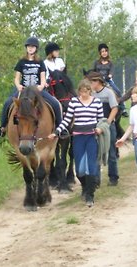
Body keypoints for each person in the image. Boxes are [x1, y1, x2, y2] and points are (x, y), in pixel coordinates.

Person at [48, 79, 104, 207]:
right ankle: (85, 186)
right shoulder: (74, 102)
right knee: (79, 169)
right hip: (78, 137)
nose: (83, 94)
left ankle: (90, 195)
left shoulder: (97, 102)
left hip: (91, 137)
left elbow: (101, 120)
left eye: (86, 91)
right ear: (79, 91)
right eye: (81, 92)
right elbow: (67, 120)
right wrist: (56, 132)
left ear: (90, 91)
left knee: (91, 167)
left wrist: (100, 128)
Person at [0, 36, 62, 137]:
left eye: (33, 47)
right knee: (7, 103)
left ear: (36, 48)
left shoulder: (40, 62)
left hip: (36, 89)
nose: (30, 48)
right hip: (24, 90)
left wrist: (41, 86)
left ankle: (60, 128)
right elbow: (16, 78)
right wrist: (18, 85)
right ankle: (2, 128)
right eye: (29, 46)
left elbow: (43, 78)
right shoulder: (21, 62)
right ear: (26, 48)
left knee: (55, 103)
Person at [87, 71, 120, 186]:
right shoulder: (91, 94)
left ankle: (113, 177)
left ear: (98, 82)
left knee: (111, 151)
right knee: (96, 152)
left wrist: (108, 123)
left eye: (91, 82)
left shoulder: (108, 93)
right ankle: (96, 179)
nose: (90, 84)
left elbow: (114, 108)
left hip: (108, 126)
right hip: (95, 126)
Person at [93, 43, 127, 116]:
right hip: (98, 80)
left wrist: (109, 76)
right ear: (100, 53)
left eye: (105, 51)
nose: (104, 53)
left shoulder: (110, 63)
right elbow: (94, 71)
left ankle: (123, 108)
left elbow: (111, 71)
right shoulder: (96, 63)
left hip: (107, 80)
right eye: (102, 51)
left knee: (117, 91)